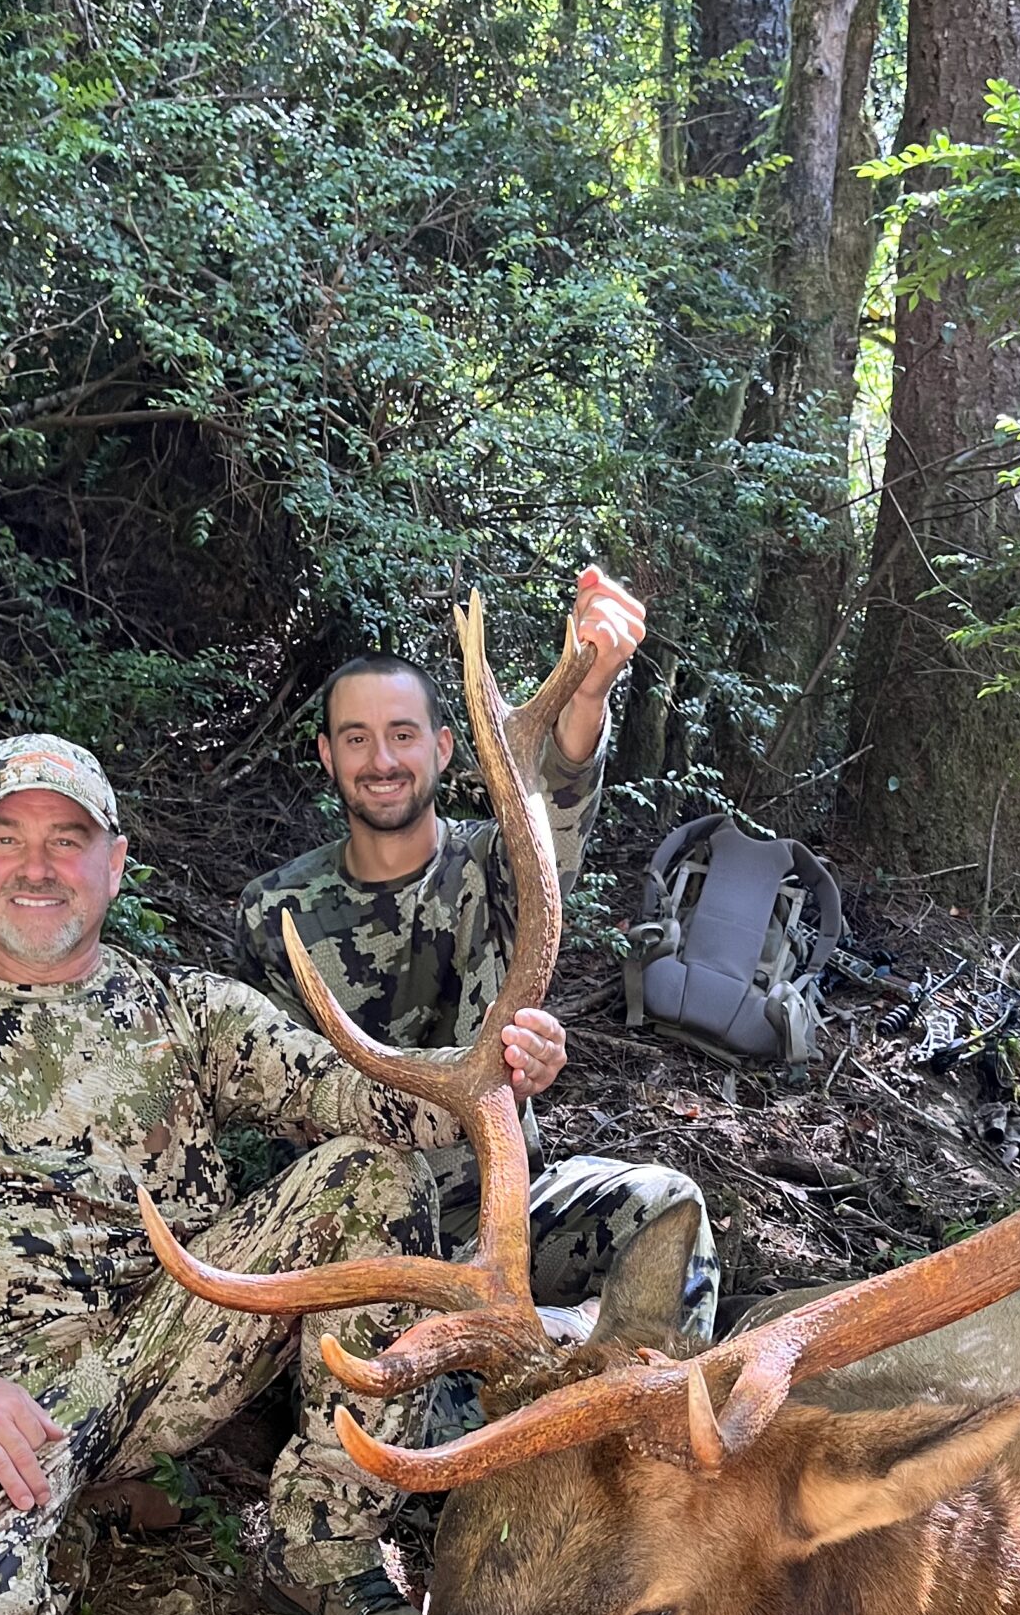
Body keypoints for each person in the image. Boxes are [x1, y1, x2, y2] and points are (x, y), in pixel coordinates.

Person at [0, 734, 566, 1615]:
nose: (38, 865)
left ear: (116, 863)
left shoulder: (183, 1011)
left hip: (170, 1343)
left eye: (68, 839)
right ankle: (76, 1521)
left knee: (369, 1180)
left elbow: (362, 1098)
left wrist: (495, 1073)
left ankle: (324, 1542)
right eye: (7, 837)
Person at [231, 569, 719, 1349]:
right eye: (355, 738)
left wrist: (586, 694)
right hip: (364, 1224)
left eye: (402, 734)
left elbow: (554, 816)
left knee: (670, 1211)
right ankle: (554, 1348)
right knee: (415, 1381)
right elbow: (263, 1096)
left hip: (501, 1212)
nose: (380, 759)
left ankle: (603, 1385)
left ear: (444, 747)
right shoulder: (272, 912)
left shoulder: (498, 866)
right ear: (326, 755)